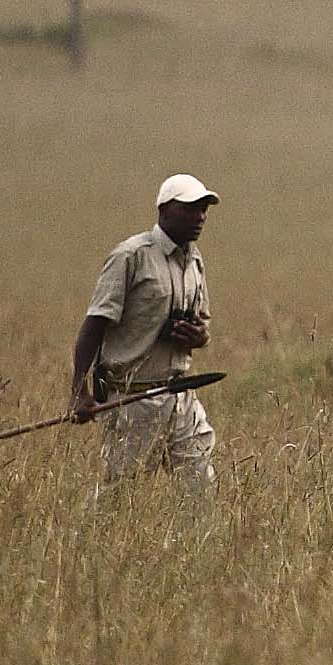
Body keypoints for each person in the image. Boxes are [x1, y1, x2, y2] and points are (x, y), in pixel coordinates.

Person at [73, 172, 221, 493]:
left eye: (203, 209)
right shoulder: (131, 256)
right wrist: (78, 391)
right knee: (123, 495)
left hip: (182, 396)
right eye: (190, 209)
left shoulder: (194, 260)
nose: (200, 217)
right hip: (132, 400)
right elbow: (94, 325)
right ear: (164, 210)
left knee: (201, 489)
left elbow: (204, 329)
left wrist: (196, 337)